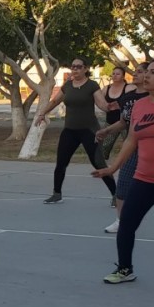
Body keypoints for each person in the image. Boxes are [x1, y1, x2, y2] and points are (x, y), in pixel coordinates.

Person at [92, 59, 154, 284]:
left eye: (153, 72)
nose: (147, 76)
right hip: (145, 178)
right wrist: (113, 167)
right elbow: (131, 139)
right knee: (126, 222)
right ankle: (125, 269)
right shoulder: (139, 105)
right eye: (146, 72)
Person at [35, 57, 117, 204]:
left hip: (89, 130)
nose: (75, 69)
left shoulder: (92, 85)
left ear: (86, 69)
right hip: (70, 131)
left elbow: (101, 104)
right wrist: (42, 114)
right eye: (73, 67)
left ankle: (115, 195)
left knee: (98, 163)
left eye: (79, 67)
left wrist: (109, 107)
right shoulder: (67, 85)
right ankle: (57, 193)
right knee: (61, 163)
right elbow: (55, 101)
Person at [95, 63, 149, 233]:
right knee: (123, 184)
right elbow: (123, 123)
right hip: (132, 147)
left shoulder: (150, 97)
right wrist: (106, 130)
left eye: (141, 72)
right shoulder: (127, 98)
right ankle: (120, 220)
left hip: (149, 149)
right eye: (136, 71)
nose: (136, 74)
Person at [100, 66, 136, 160]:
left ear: (123, 76)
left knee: (130, 148)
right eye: (113, 73)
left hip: (125, 124)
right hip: (110, 123)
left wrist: (122, 106)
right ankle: (103, 169)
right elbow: (99, 102)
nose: (115, 76)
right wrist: (106, 107)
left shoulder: (129, 88)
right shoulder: (106, 88)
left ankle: (130, 165)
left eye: (118, 74)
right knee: (103, 148)